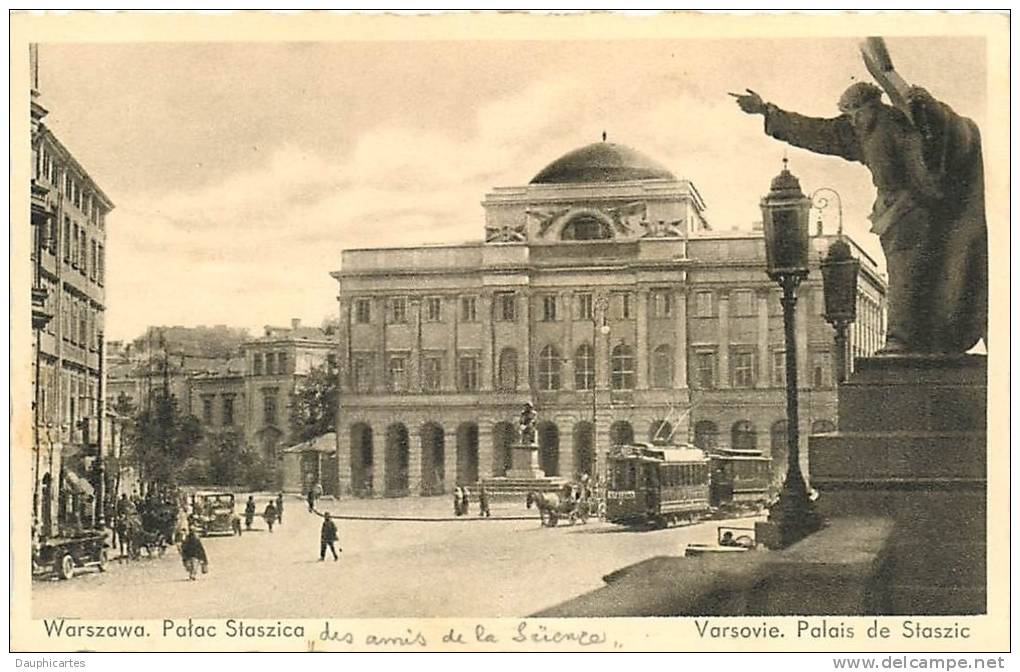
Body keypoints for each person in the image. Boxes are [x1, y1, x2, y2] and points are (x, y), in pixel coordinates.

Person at [732, 79, 986, 354]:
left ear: (870, 106)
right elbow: (815, 131)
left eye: (854, 113)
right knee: (909, 274)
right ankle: (909, 339)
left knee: (907, 274)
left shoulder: (900, 120)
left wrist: (928, 107)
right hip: (894, 213)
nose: (852, 121)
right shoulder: (858, 130)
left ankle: (902, 339)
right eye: (848, 115)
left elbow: (949, 137)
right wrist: (766, 111)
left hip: (914, 210)